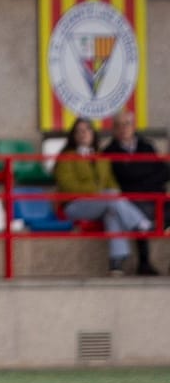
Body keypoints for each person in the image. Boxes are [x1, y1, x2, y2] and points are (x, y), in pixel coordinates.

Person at [53, 117, 154, 277]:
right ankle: (139, 223)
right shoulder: (66, 157)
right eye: (79, 131)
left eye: (87, 130)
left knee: (112, 210)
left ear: (93, 134)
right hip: (74, 206)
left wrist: (105, 194)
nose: (83, 134)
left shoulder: (101, 157)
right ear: (73, 135)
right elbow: (68, 186)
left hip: (102, 203)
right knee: (110, 198)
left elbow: (113, 184)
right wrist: (98, 193)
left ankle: (116, 263)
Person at [102, 110, 169, 274]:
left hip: (155, 195)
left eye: (127, 124)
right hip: (131, 199)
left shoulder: (147, 146)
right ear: (113, 130)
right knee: (138, 214)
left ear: (134, 126)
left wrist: (142, 180)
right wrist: (143, 179)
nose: (123, 128)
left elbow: (164, 172)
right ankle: (144, 263)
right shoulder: (109, 152)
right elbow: (121, 178)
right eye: (118, 125)